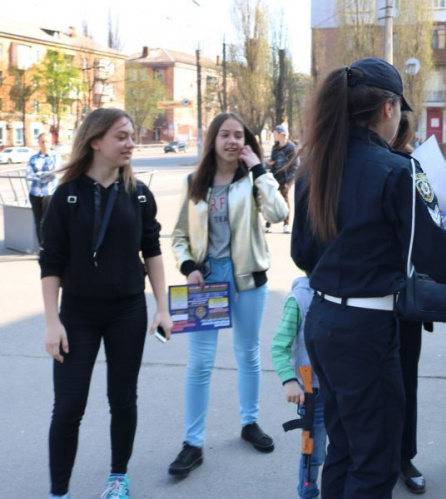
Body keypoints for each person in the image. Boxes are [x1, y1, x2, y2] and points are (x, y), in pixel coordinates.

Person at [291, 57, 446, 498]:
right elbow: (442, 260)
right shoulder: (399, 170)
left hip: (323, 323)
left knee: (344, 450)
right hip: (367, 334)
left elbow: (303, 254)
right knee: (374, 464)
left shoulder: (314, 165)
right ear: (389, 109)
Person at [39, 108, 172, 499]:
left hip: (127, 310)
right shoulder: (66, 195)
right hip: (77, 314)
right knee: (68, 406)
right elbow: (51, 261)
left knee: (122, 399)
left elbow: (152, 252)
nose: (131, 143)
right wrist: (52, 321)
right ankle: (58, 491)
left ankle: (118, 477)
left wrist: (162, 307)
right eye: (122, 136)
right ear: (96, 141)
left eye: (132, 135)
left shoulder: (140, 194)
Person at [169, 112, 288, 476]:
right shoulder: (195, 183)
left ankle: (249, 423)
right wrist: (188, 267)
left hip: (248, 279)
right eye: (225, 134)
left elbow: (279, 213)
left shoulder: (252, 180)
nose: (233, 141)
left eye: (239, 135)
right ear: (213, 140)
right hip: (206, 282)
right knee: (200, 363)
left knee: (248, 353)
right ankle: (193, 443)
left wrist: (259, 172)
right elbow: (178, 236)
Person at [391, 110, 428, 494]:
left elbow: (430, 225)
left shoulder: (412, 166)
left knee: (405, 383)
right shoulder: (340, 162)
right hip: (358, 302)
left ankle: (404, 456)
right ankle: (377, 458)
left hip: (404, 298)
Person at [271, 275, 326, 499]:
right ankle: (308, 491)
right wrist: (290, 380)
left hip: (343, 388)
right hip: (313, 393)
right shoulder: (300, 299)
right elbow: (279, 346)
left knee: (344, 448)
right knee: (312, 451)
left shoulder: (345, 289)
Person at [26, 132, 59, 245]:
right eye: (42, 141)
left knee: (48, 222)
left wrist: (38, 175)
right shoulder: (33, 158)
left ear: (51, 143)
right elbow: (29, 175)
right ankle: (42, 247)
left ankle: (51, 246)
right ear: (38, 143)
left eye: (46, 141)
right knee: (38, 222)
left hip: (49, 194)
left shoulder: (55, 157)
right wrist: (45, 174)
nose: (44, 144)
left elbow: (55, 173)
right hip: (34, 194)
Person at [265, 124, 299, 234]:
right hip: (275, 177)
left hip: (285, 178)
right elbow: (272, 162)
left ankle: (286, 224)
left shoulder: (291, 148)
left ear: (281, 134)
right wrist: (269, 164)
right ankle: (268, 224)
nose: (273, 135)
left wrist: (289, 181)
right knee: (271, 200)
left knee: (284, 200)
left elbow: (294, 165)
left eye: (275, 133)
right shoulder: (275, 147)